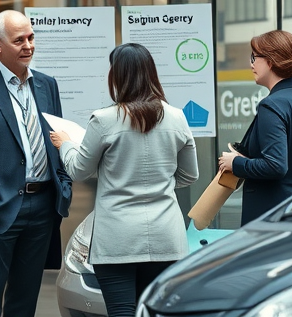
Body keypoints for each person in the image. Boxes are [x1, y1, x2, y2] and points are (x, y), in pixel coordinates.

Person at [50, 43, 198, 317]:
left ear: (116, 76)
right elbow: (190, 175)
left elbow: (79, 170)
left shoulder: (104, 120)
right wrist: (158, 183)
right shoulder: (177, 117)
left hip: (117, 240)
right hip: (166, 238)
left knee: (121, 312)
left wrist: (66, 145)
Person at [0, 9, 73, 317]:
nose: (28, 46)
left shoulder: (47, 85)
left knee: (25, 300)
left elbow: (57, 141)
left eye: (31, 38)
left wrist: (63, 186)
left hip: (43, 206)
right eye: (19, 40)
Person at [218, 30, 292, 225]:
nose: (251, 64)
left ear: (271, 61)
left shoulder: (271, 105)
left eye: (254, 57)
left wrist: (236, 163)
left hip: (271, 220)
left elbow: (275, 165)